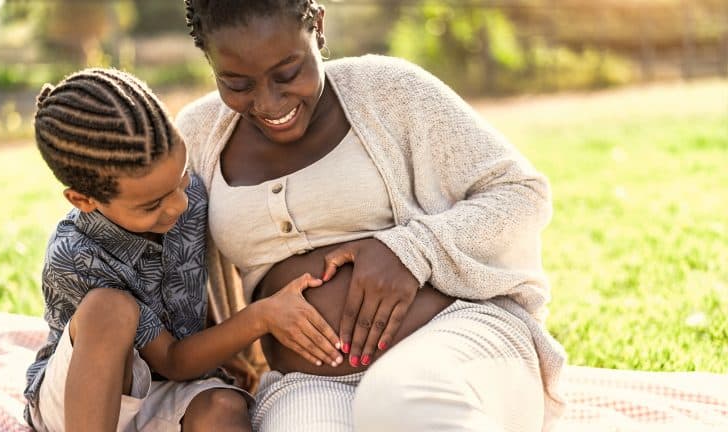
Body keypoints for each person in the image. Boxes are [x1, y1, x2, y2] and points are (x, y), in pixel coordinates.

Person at [178, 1, 567, 431]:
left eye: (287, 73)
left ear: (318, 29)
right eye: (237, 83)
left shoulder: (389, 89)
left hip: (455, 339)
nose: (268, 102)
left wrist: (410, 250)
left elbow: (521, 192)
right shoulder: (197, 136)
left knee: (397, 403)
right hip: (306, 382)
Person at [23, 68, 345, 432]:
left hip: (165, 392)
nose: (177, 205)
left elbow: (183, 292)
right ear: (83, 200)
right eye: (152, 205)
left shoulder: (189, 200)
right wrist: (263, 316)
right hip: (78, 409)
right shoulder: (74, 254)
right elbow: (173, 359)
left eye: (181, 180)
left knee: (224, 405)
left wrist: (224, 348)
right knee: (109, 309)